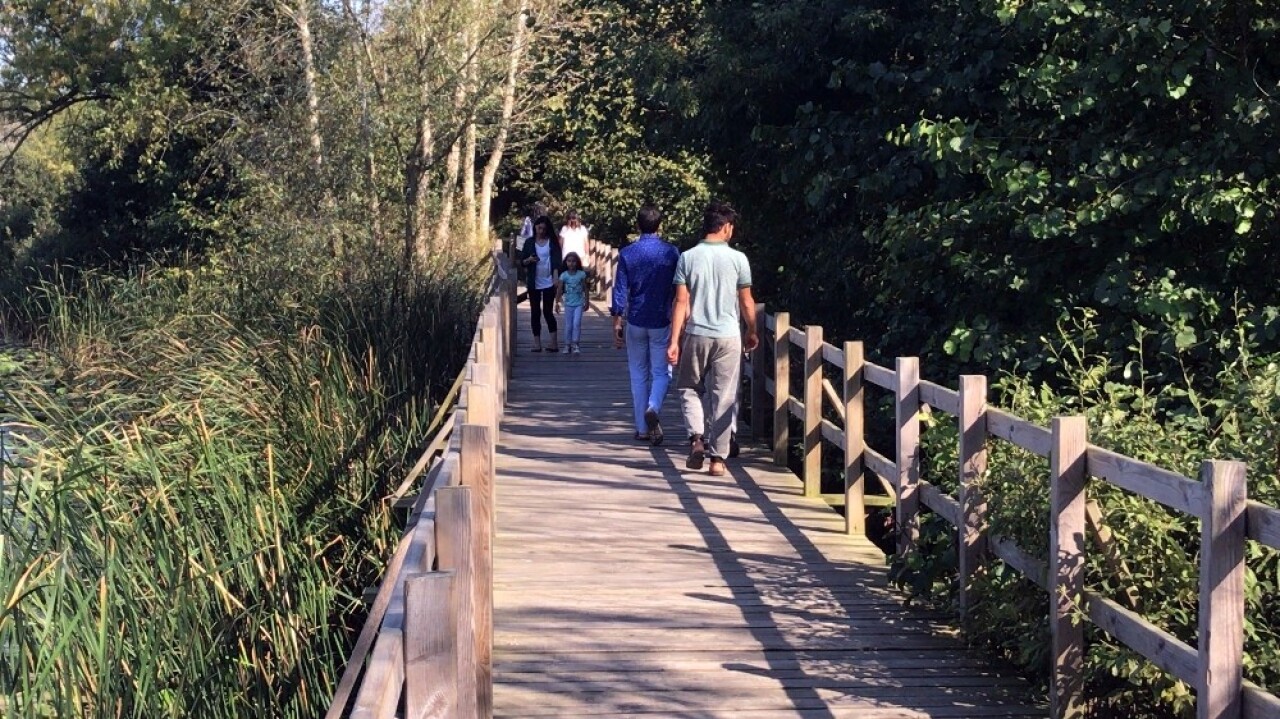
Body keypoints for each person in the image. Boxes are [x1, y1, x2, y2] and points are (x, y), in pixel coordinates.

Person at [667, 201, 757, 476]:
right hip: (729, 336)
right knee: (725, 396)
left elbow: (681, 302)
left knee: (690, 388)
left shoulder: (688, 257)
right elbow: (746, 301)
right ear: (726, 227)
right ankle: (718, 460)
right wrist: (751, 330)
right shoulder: (738, 259)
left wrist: (673, 341)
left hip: (697, 332)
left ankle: (696, 439)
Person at [612, 205, 681, 445]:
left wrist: (617, 321)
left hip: (636, 319)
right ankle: (654, 406)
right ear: (659, 225)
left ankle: (642, 428)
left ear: (638, 224)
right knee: (661, 372)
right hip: (662, 319)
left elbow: (620, 290)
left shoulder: (628, 253)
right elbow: (678, 290)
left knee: (638, 374)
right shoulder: (671, 253)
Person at [520, 215, 562, 352]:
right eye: (539, 228)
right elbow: (522, 261)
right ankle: (537, 343)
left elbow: (556, 261)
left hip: (548, 280)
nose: (541, 230)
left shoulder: (552, 243)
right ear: (535, 227)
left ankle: (553, 343)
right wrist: (529, 260)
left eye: (544, 228)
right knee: (535, 312)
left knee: (547, 312)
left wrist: (556, 277)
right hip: (534, 281)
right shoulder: (529, 243)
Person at [556, 252, 588, 354]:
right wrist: (557, 302)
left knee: (576, 323)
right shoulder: (564, 275)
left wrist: (587, 301)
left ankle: (575, 344)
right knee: (568, 325)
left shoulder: (581, 274)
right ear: (566, 262)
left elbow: (585, 289)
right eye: (569, 261)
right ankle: (567, 344)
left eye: (573, 261)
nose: (571, 263)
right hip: (568, 303)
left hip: (579, 303)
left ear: (577, 263)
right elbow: (559, 290)